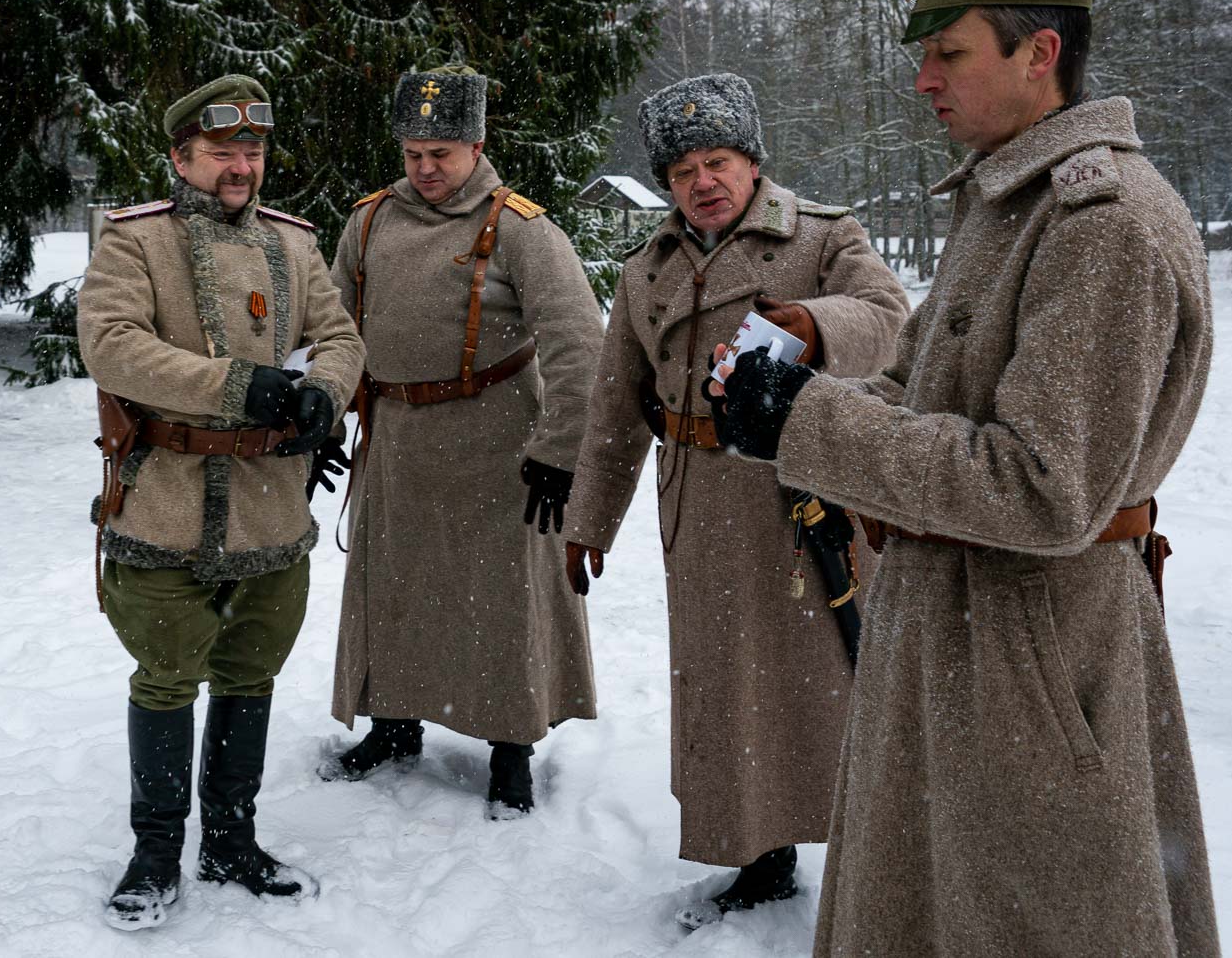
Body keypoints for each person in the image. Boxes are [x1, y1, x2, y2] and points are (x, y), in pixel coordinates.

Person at [705, 0, 1222, 956]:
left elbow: (1040, 486)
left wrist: (808, 420)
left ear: (1039, 54)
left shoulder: (1100, 223)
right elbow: (917, 386)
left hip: (1030, 658)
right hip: (968, 642)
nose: (921, 78)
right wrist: (796, 399)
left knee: (1023, 920)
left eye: (949, 51)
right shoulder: (1012, 196)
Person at [559, 72, 910, 928]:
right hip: (698, 506)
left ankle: (883, 859)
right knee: (726, 685)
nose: (702, 182)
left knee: (837, 680)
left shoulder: (822, 236)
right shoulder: (646, 268)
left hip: (806, 501)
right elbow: (615, 405)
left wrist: (815, 326)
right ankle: (760, 856)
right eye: (683, 170)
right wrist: (587, 521)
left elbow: (893, 317)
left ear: (752, 163)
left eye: (718, 160)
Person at [78, 74, 364, 930]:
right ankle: (156, 851)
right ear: (181, 156)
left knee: (250, 674)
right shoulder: (135, 242)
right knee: (165, 678)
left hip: (272, 508)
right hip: (163, 503)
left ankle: (231, 839)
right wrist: (241, 386)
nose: (241, 167)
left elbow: (342, 335)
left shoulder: (294, 243)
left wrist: (325, 391)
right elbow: (114, 347)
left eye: (253, 151)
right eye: (221, 152)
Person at [317, 65, 603, 819]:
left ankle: (512, 747)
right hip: (399, 442)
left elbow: (580, 347)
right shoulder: (370, 221)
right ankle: (393, 722)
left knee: (502, 600)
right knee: (396, 587)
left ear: (478, 143)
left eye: (442, 151)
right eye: (413, 152)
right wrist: (323, 415)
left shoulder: (520, 228)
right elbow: (334, 333)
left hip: (499, 448)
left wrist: (559, 449)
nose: (426, 167)